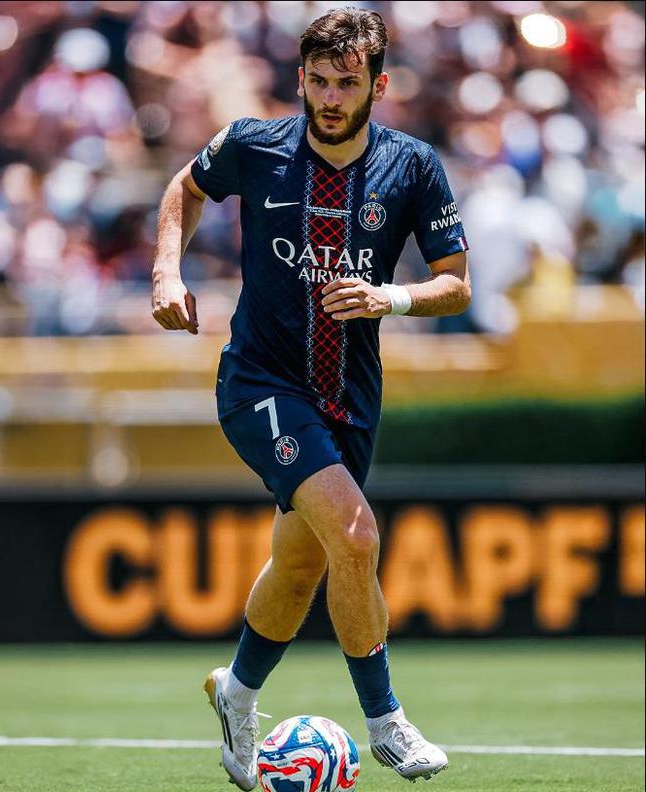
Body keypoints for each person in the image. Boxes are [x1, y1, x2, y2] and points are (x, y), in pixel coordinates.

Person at [151, 8, 470, 789]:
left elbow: (457, 285)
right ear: (300, 78)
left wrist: (392, 297)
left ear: (378, 86)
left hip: (350, 395)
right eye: (318, 82)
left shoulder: (413, 166)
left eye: (346, 84)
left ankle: (236, 692)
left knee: (299, 567)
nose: (329, 98)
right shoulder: (254, 145)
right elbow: (185, 189)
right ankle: (387, 722)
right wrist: (166, 273)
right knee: (356, 537)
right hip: (260, 383)